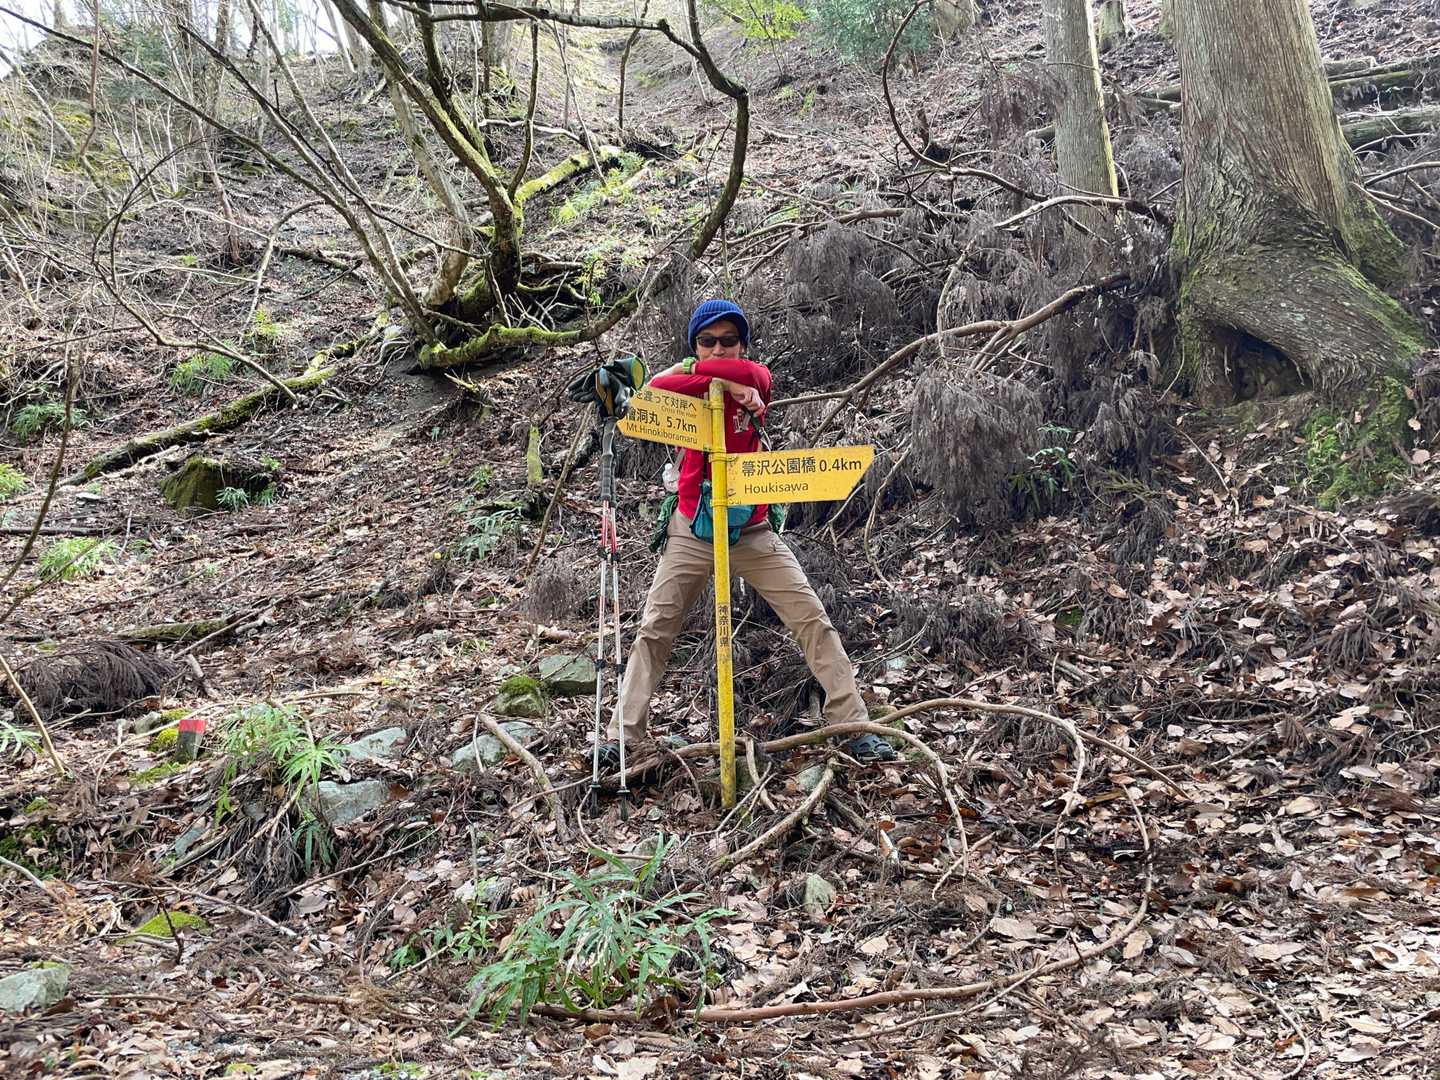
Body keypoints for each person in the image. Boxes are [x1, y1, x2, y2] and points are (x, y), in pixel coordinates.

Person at [599, 299, 896, 768]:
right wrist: (721, 382)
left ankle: (852, 725)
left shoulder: (757, 378)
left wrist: (718, 378)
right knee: (655, 629)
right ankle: (623, 735)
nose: (719, 349)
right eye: (707, 342)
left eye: (729, 341)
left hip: (752, 531)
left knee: (811, 618)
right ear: (695, 346)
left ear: (743, 345)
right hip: (692, 529)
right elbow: (653, 390)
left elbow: (753, 376)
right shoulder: (695, 389)